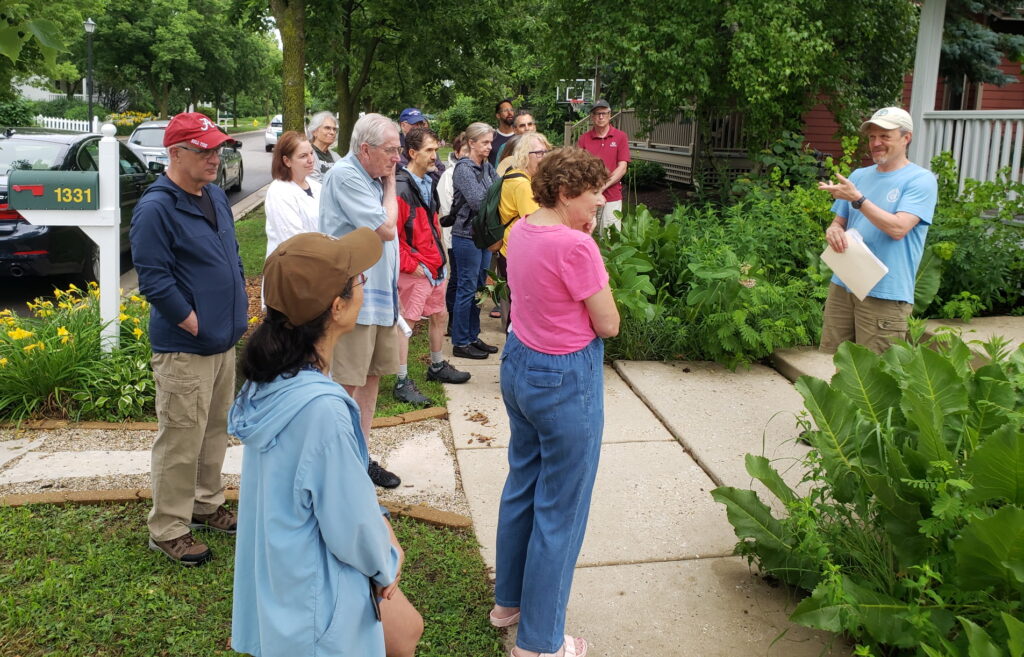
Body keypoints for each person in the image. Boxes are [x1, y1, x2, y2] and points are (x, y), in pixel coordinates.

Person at [230, 229, 423, 657]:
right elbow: (349, 522)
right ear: (337, 308)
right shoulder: (323, 409)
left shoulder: (272, 381)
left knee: (407, 631)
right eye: (357, 281)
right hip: (317, 595)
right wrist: (384, 561)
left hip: (284, 576)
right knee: (405, 635)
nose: (364, 285)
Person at [490, 147, 619, 657]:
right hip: (565, 378)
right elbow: (608, 323)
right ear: (566, 193)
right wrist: (584, 248)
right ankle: (540, 642)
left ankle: (509, 603)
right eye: (594, 195)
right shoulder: (577, 247)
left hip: (520, 365)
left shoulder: (521, 229)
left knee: (523, 482)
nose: (602, 203)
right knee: (561, 508)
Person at [129, 112, 248, 565]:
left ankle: (205, 503)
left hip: (222, 341)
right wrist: (194, 321)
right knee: (180, 437)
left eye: (217, 149)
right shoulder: (156, 208)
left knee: (214, 429)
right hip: (185, 347)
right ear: (175, 153)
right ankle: (168, 526)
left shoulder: (215, 196)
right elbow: (155, 281)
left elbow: (231, 254)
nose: (215, 158)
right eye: (204, 151)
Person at [319, 113, 403, 489]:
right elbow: (387, 229)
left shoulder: (370, 175)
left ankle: (361, 455)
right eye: (391, 150)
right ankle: (332, 464)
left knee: (370, 379)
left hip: (379, 299)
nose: (397, 158)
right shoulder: (346, 175)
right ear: (365, 149)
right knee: (344, 385)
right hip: (354, 301)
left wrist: (385, 183)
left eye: (399, 150)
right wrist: (390, 188)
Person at [817, 106, 938, 355]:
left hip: (885, 292)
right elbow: (839, 222)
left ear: (906, 138)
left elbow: (898, 228)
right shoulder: (859, 176)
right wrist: (833, 231)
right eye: (872, 137)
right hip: (844, 283)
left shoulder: (920, 180)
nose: (876, 143)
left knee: (879, 373)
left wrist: (859, 199)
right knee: (840, 364)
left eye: (885, 136)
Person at [393, 126, 471, 405]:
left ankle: (436, 366)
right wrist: (411, 265)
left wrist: (439, 260)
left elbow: (433, 221)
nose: (436, 156)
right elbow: (392, 235)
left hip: (434, 266)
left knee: (439, 315)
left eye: (436, 150)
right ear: (412, 153)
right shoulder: (401, 187)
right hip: (416, 269)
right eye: (429, 150)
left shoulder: (428, 182)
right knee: (406, 324)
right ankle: (401, 381)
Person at [450, 121, 500, 360]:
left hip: (484, 236)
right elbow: (479, 202)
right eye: (485, 142)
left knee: (481, 288)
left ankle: (472, 335)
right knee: (467, 288)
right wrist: (496, 201)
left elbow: (498, 194)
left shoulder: (488, 167)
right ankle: (460, 341)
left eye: (491, 142)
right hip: (467, 236)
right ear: (471, 143)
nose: (489, 146)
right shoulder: (464, 169)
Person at [495, 132, 553, 328]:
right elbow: (537, 222)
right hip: (517, 253)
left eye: (546, 152)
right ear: (524, 155)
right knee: (520, 310)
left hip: (512, 251)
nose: (544, 157)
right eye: (539, 153)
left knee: (516, 306)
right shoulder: (521, 184)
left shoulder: (518, 176)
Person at [576, 99, 630, 234]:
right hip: (588, 194)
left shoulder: (620, 137)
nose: (601, 117)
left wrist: (602, 187)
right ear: (592, 117)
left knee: (610, 237)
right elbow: (578, 167)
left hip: (612, 196)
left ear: (610, 115)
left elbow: (622, 168)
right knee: (586, 234)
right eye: (597, 113)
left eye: (604, 113)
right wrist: (592, 189)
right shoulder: (584, 139)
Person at [264, 130, 320, 258]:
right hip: (293, 270)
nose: (311, 160)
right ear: (287, 161)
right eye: (303, 156)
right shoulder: (279, 192)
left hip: (321, 266)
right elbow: (295, 242)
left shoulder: (318, 187)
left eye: (311, 153)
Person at [439, 132, 469, 325]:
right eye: (465, 150)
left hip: (473, 236)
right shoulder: (448, 176)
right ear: (457, 153)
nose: (468, 154)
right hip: (455, 236)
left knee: (468, 280)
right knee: (457, 278)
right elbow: (447, 208)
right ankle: (452, 321)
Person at [307, 110, 340, 183]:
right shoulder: (307, 155)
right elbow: (314, 183)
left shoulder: (337, 157)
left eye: (334, 129)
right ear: (314, 131)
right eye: (327, 128)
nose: (332, 132)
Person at [489, 98, 516, 167]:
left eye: (511, 110)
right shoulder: (490, 137)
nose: (510, 113)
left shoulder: (519, 137)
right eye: (505, 110)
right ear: (498, 115)